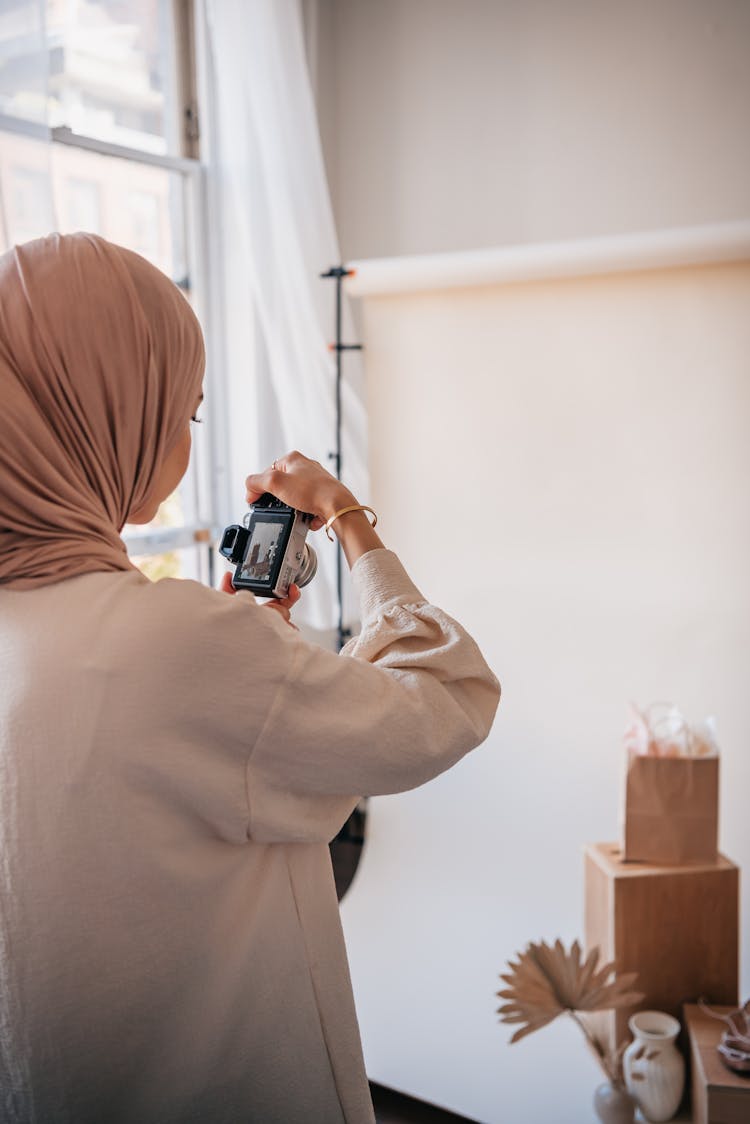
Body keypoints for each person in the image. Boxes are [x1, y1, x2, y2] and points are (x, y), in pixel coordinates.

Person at [0, 233, 500, 1124]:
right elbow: (446, 700)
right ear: (103, 412)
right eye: (183, 415)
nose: (186, 442)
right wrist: (347, 519)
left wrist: (249, 640)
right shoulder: (173, 640)